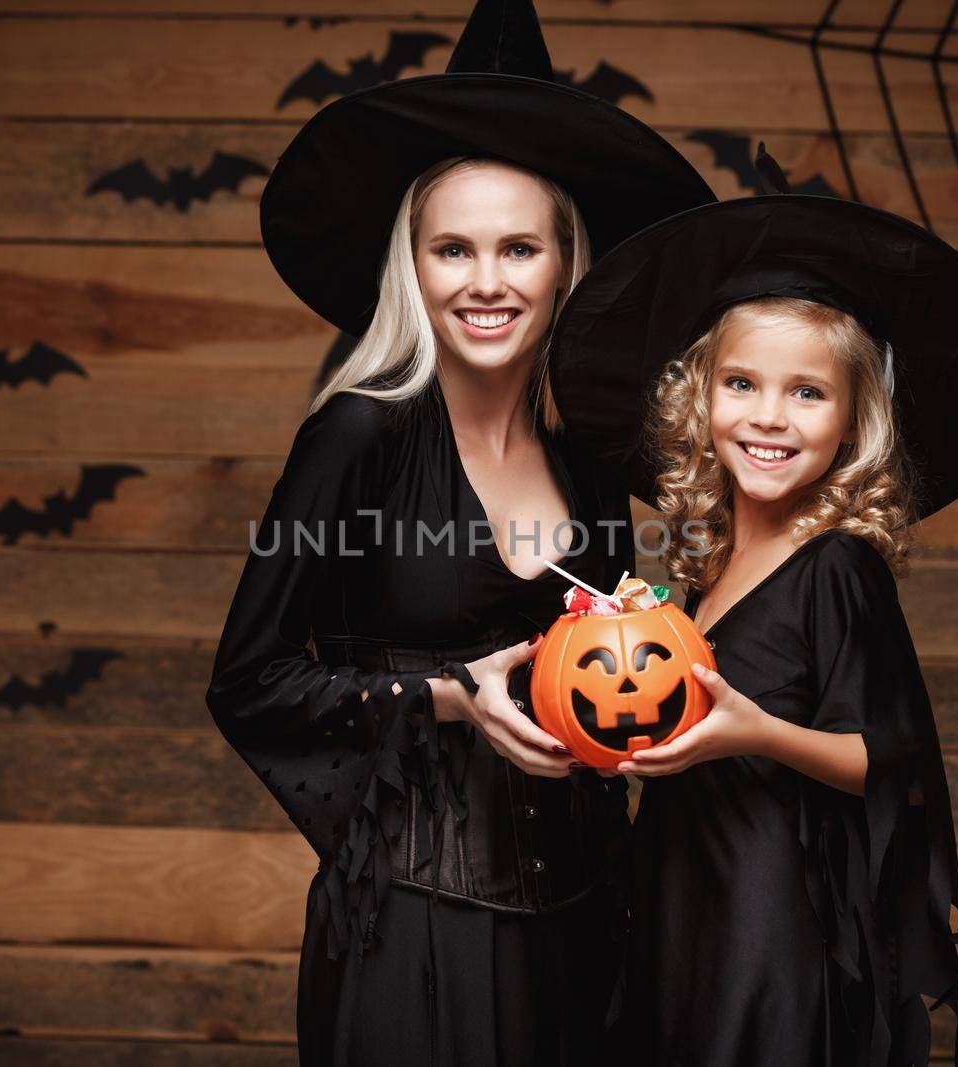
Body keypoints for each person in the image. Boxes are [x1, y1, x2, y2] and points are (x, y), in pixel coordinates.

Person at [205, 2, 714, 1064]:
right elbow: (248, 681)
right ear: (414, 266)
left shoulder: (586, 456)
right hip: (413, 921)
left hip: (586, 913)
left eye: (518, 247)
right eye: (453, 249)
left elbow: (607, 654)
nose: (486, 282)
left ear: (565, 263)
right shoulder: (356, 436)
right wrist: (448, 696)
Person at [548, 147, 958, 1065]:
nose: (769, 417)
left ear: (851, 419)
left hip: (772, 915)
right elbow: (679, 710)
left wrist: (755, 732)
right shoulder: (712, 561)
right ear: (702, 398)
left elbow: (887, 761)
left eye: (806, 392)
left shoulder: (837, 567)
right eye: (743, 385)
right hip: (686, 894)